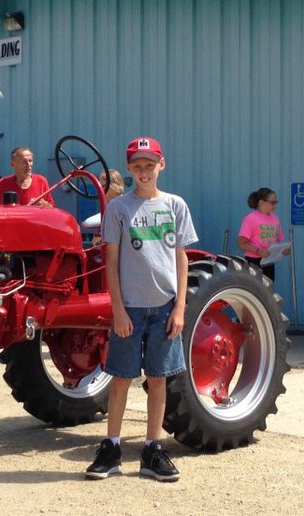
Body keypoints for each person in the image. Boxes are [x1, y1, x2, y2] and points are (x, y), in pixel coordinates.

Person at [85, 137, 198, 482]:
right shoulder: (119, 209)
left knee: (158, 379)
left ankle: (152, 450)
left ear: (161, 165)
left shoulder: (175, 205)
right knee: (121, 379)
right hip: (130, 310)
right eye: (137, 166)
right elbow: (112, 262)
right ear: (130, 169)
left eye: (150, 165)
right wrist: (117, 309)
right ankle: (112, 447)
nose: (144, 171)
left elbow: (181, 257)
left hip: (164, 308)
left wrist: (179, 305)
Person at [238, 187, 289, 281]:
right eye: (272, 202)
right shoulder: (250, 219)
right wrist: (258, 251)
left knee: (268, 291)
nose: (274, 206)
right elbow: (242, 243)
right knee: (254, 291)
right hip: (254, 262)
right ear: (261, 202)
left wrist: (283, 250)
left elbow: (277, 241)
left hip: (269, 261)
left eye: (276, 202)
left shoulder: (275, 219)